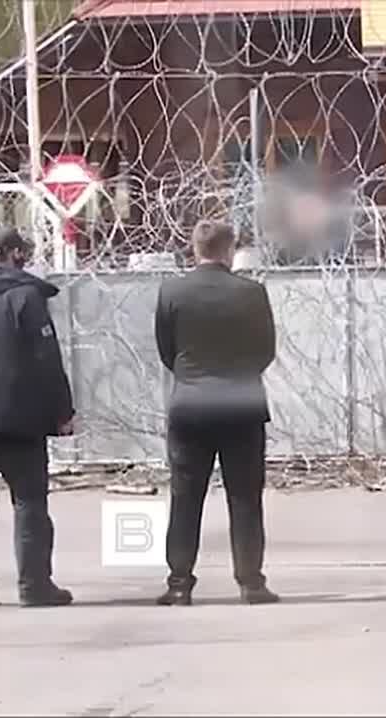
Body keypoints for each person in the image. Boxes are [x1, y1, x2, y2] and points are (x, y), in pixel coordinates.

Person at [154, 220, 279, 606]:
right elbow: (266, 349)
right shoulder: (251, 292)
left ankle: (179, 584)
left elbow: (166, 348)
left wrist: (193, 376)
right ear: (229, 250)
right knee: (245, 498)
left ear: (195, 248)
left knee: (185, 497)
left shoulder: (173, 291)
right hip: (241, 405)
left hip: (191, 405)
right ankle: (251, 582)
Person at [0, 228, 75, 607]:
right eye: (21, 251)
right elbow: (46, 359)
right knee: (29, 502)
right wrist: (63, 411)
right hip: (19, 419)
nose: (25, 258)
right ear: (11, 253)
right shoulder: (25, 296)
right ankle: (34, 586)